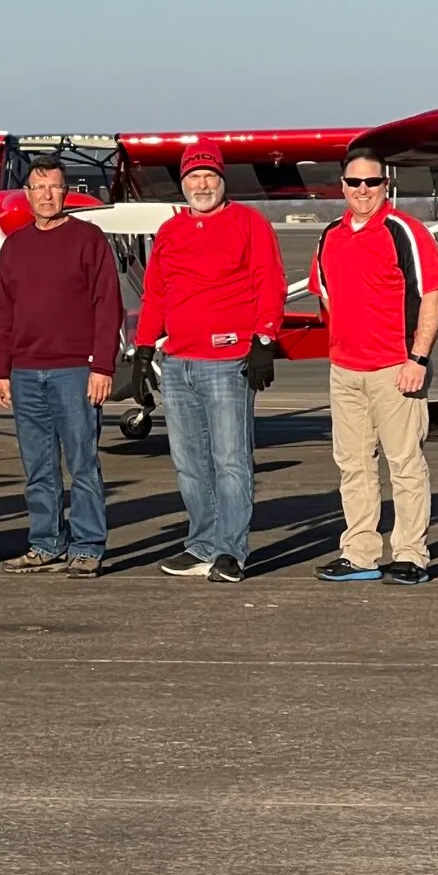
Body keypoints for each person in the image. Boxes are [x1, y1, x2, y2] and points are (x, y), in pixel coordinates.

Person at [130, 137, 288, 584]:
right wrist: (144, 351)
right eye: (193, 177)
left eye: (209, 177)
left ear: (222, 180)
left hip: (227, 360)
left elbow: (269, 282)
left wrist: (263, 340)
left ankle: (231, 550)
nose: (202, 185)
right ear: (183, 184)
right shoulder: (171, 231)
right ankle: (201, 543)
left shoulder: (249, 223)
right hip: (178, 362)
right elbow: (157, 293)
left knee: (231, 459)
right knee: (189, 461)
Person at [307, 152, 438, 584]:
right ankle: (360, 553)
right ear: (343, 185)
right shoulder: (330, 236)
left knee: (405, 464)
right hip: (345, 371)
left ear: (385, 185)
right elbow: (326, 295)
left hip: (395, 369)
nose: (362, 190)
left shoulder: (404, 231)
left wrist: (418, 357)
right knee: (353, 465)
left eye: (371, 182)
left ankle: (411, 554)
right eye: (354, 182)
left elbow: (435, 294)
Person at [0, 156, 122, 577]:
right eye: (38, 187)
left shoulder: (89, 239)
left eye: (54, 187)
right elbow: (2, 313)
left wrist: (102, 366)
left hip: (75, 372)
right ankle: (45, 543)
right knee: (38, 467)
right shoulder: (15, 246)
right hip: (26, 374)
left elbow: (108, 306)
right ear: (26, 194)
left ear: (67, 193)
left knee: (82, 463)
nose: (46, 195)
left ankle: (87, 545)